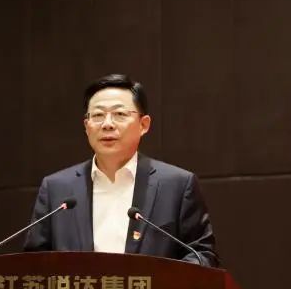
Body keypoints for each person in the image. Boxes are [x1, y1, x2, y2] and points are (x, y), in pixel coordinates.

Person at [24, 74, 219, 267]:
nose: (107, 124)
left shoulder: (177, 185)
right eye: (98, 115)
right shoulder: (57, 189)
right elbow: (32, 264)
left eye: (119, 114)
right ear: (86, 126)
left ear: (144, 125)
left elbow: (202, 255)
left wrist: (162, 281)